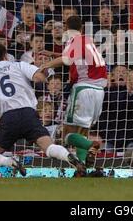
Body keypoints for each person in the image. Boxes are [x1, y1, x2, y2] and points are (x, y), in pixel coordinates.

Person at [0, 43, 86, 176]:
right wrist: (44, 72)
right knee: (49, 147)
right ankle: (69, 157)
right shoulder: (19, 65)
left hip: (9, 118)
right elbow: (39, 79)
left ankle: (9, 162)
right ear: (5, 55)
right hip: (28, 114)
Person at [41, 15, 107, 168]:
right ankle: (83, 165)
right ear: (82, 28)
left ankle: (92, 144)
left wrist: (45, 65)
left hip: (84, 89)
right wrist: (53, 55)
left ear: (65, 29)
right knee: (82, 132)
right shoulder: (88, 41)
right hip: (99, 92)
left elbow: (66, 60)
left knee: (67, 134)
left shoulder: (75, 41)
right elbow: (75, 58)